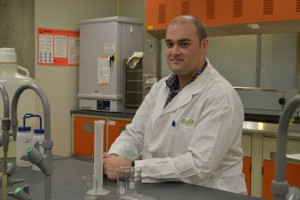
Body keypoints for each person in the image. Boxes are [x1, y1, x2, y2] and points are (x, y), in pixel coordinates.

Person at [103, 15, 247, 194]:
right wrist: (116, 156)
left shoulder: (219, 96)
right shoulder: (160, 88)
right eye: (170, 44)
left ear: (204, 45)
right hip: (163, 191)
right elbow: (135, 133)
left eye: (184, 44)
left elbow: (198, 166)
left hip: (211, 193)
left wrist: (131, 168)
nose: (174, 51)